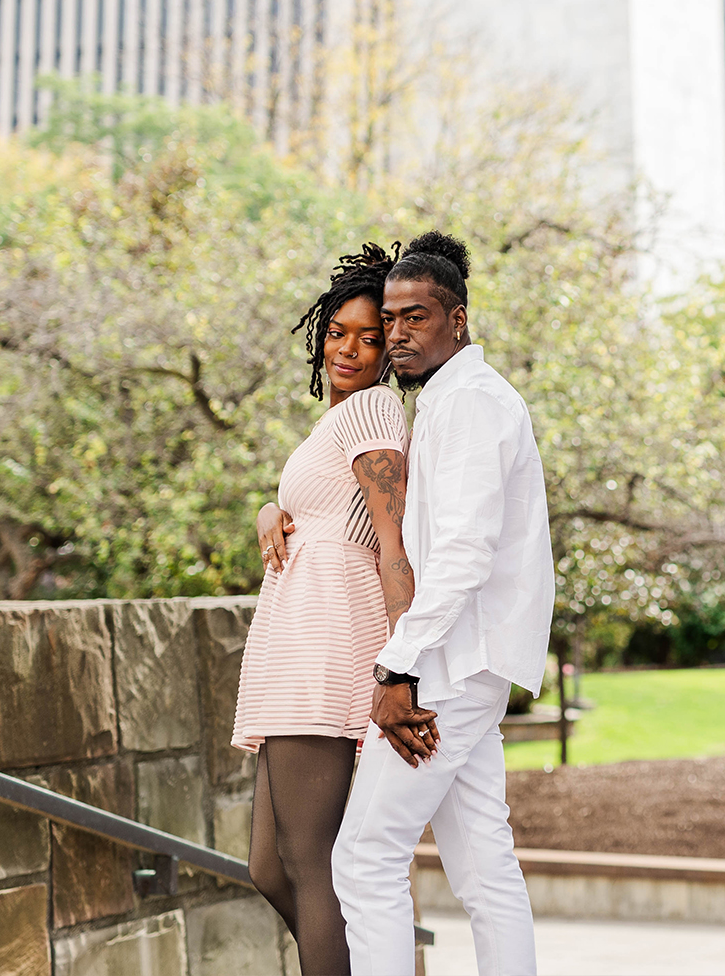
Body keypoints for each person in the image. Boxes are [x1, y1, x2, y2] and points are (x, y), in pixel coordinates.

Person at [333, 231, 552, 975]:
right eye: (390, 318)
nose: (396, 333)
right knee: (486, 867)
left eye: (415, 317)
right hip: (471, 664)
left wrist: (396, 669)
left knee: (364, 857)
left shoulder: (469, 405)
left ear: (458, 319)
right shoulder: (462, 400)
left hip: (449, 669)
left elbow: (462, 556)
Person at [233, 243, 432, 976]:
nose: (349, 348)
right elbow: (318, 513)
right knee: (269, 869)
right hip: (295, 654)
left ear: (390, 349)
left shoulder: (374, 410)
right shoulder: (340, 420)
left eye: (370, 336)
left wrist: (401, 669)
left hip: (329, 649)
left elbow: (393, 549)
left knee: (314, 868)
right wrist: (268, 507)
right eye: (339, 332)